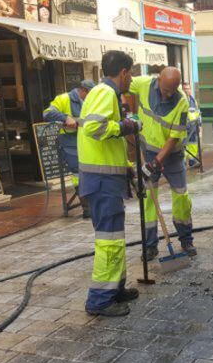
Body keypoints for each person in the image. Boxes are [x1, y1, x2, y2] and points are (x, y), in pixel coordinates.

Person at [78, 51, 140, 317]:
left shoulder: (104, 93)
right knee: (108, 240)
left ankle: (115, 288)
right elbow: (94, 128)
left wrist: (126, 169)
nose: (132, 80)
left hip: (106, 179)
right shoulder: (105, 93)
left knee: (115, 237)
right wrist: (123, 127)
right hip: (101, 181)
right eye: (131, 74)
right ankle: (99, 300)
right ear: (124, 72)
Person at [127, 67, 196, 261]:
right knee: (149, 199)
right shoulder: (143, 84)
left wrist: (157, 162)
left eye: (172, 90)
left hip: (172, 155)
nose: (168, 94)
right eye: (165, 89)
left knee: (181, 196)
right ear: (158, 79)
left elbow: (173, 138)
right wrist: (126, 108)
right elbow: (122, 86)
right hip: (147, 151)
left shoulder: (181, 101)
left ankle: (186, 239)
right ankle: (150, 246)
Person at [43, 79, 97, 219]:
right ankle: (87, 208)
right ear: (83, 91)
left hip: (88, 141)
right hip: (70, 143)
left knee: (92, 171)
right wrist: (65, 117)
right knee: (78, 174)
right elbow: (47, 113)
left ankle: (95, 203)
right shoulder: (63, 99)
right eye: (90, 94)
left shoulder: (91, 101)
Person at [181, 82, 202, 168]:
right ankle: (182, 164)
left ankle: (192, 161)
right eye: (185, 89)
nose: (187, 91)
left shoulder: (193, 101)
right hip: (184, 128)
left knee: (193, 145)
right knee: (183, 146)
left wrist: (200, 125)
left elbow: (198, 113)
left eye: (188, 88)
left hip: (193, 128)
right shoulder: (181, 101)